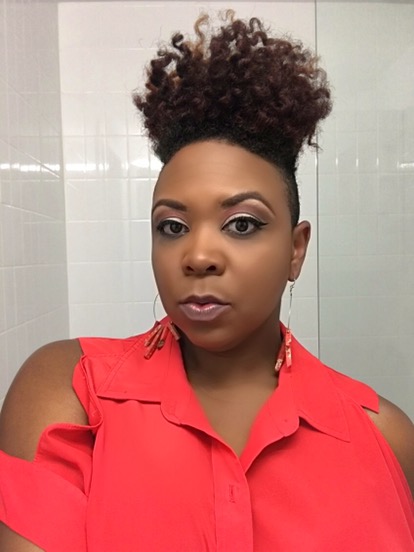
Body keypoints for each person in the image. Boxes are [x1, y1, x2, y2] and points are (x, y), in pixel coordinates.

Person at [1, 11, 413, 551]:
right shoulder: (71, 389)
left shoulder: (386, 437)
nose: (196, 256)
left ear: (296, 249)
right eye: (172, 227)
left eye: (241, 224)